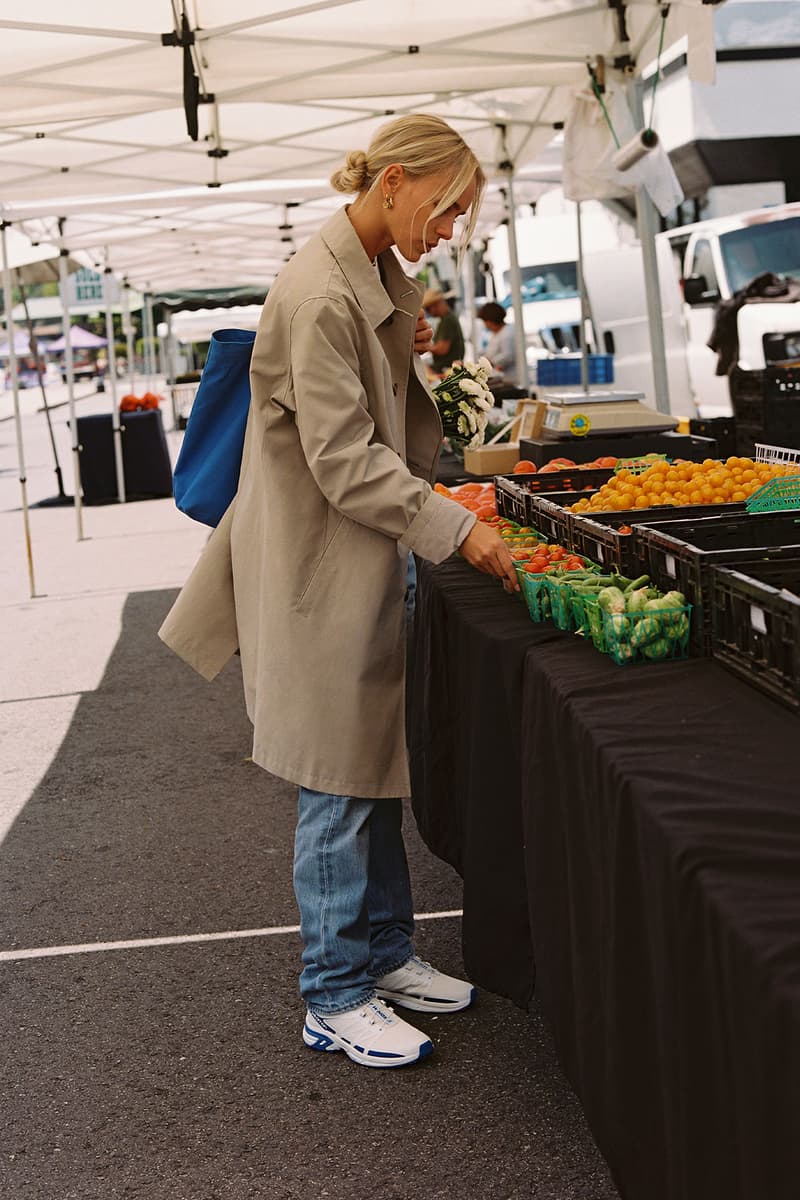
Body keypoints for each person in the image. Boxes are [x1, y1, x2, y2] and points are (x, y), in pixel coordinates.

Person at [158, 113, 519, 1070]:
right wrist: (458, 527)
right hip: (323, 565)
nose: (446, 231)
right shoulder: (321, 293)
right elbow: (346, 463)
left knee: (370, 768)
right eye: (445, 210)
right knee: (338, 784)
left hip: (356, 558)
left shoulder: (366, 276)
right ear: (395, 182)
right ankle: (333, 991)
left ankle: (386, 957)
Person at [422, 287, 465, 374]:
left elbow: (442, 349)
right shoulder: (446, 319)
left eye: (428, 309)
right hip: (447, 368)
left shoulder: (448, 320)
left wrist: (424, 346)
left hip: (447, 370)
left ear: (436, 305)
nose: (428, 312)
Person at [477, 300, 518, 385]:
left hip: (510, 379)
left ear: (490, 321)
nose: (485, 325)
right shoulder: (496, 333)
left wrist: (491, 362)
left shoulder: (507, 333)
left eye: (485, 321)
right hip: (502, 377)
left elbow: (508, 355)